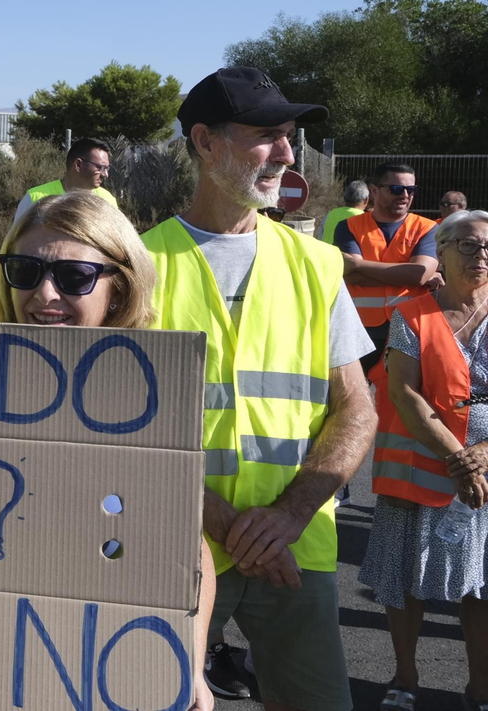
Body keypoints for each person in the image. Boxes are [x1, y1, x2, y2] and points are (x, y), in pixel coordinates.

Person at [0, 191, 215, 711]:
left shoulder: (144, 398)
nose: (44, 294)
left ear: (118, 287)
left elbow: (187, 548)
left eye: (74, 278)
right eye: (24, 271)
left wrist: (187, 660)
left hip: (90, 677)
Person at [141, 67, 377, 711]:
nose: (286, 153)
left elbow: (356, 407)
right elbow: (115, 428)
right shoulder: (136, 266)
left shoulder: (316, 264)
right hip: (174, 546)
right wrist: (223, 522)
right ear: (205, 142)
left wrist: (290, 515)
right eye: (267, 136)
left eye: (290, 136)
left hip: (296, 547)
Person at [358, 208, 488, 711]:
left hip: (482, 470)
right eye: (468, 245)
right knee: (404, 579)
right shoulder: (410, 313)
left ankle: (480, 687)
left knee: (481, 584)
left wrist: (482, 455)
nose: (481, 256)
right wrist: (462, 460)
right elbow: (405, 393)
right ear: (443, 251)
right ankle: (405, 678)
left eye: (487, 247)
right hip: (420, 468)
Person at [335, 162, 440, 373]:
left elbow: (418, 274)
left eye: (411, 190)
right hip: (359, 327)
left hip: (410, 325)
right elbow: (351, 277)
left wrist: (359, 264)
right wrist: (407, 274)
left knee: (401, 396)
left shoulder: (428, 228)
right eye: (396, 189)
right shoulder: (349, 226)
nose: (405, 195)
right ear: (374, 190)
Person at [13, 136, 118, 222]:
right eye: (100, 167)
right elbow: (14, 242)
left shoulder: (108, 200)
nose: (105, 174)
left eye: (107, 168)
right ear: (78, 165)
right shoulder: (35, 198)